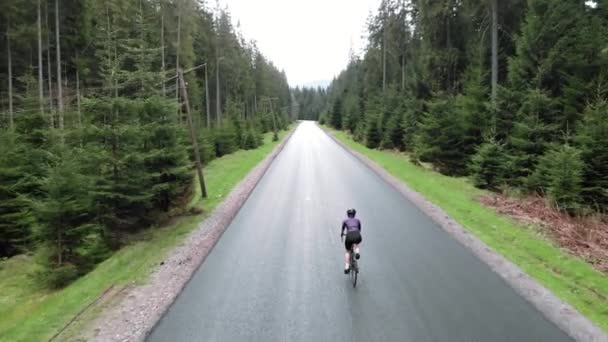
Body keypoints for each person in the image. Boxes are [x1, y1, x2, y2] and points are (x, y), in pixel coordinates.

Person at [341, 208, 362, 274]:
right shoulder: (358, 220)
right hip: (357, 234)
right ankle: (357, 252)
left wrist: (342, 234)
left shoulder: (345, 221)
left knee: (347, 251)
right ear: (354, 214)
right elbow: (359, 229)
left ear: (348, 214)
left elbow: (342, 230)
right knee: (356, 242)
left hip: (349, 235)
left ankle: (347, 267)